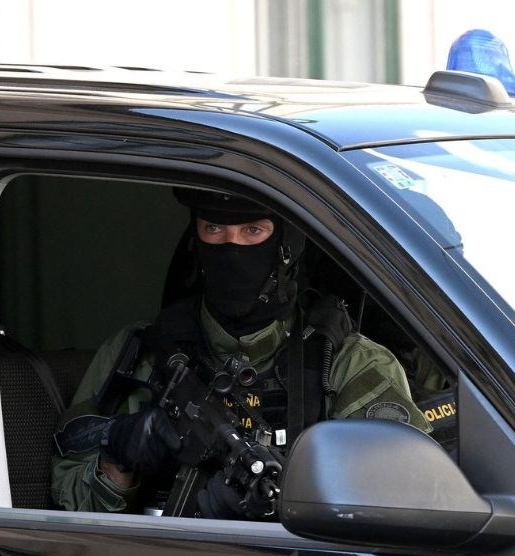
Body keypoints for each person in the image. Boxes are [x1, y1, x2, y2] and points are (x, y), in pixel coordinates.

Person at [51, 187, 432, 518]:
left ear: (286, 246)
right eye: (214, 229)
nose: (231, 249)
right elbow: (65, 508)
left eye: (253, 230)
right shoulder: (142, 353)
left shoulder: (348, 364)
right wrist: (120, 457)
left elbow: (412, 500)